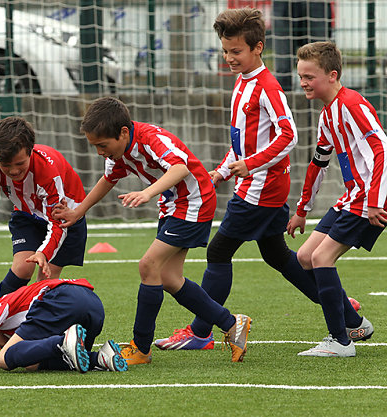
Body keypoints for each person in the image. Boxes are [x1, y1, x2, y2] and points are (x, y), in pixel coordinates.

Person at [154, 8, 365, 353]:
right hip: (257, 184)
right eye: (225, 51)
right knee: (278, 255)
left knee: (218, 251)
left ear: (258, 48)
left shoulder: (267, 86)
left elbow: (289, 135)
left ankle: (200, 330)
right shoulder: (242, 83)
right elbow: (242, 143)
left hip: (261, 189)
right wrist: (220, 172)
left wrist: (249, 166)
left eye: (236, 51)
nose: (229, 58)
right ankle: (345, 310)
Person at [52, 96, 252, 365]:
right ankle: (232, 323)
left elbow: (180, 167)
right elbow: (108, 179)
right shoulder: (118, 151)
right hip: (173, 204)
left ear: (123, 133)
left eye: (102, 145)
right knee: (168, 277)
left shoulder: (149, 139)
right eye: (95, 146)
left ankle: (141, 347)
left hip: (194, 201)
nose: (100, 152)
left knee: (148, 265)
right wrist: (78, 211)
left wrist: (147, 192)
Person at [287, 41, 386, 357]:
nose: (303, 82)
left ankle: (340, 342)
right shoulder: (327, 114)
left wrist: (375, 200)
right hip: (353, 197)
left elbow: (381, 149)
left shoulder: (352, 105)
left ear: (332, 75)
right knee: (305, 257)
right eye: (300, 76)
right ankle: (355, 323)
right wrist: (302, 209)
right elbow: (318, 163)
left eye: (309, 76)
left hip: (368, 196)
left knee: (321, 258)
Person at [0, 116, 87, 300]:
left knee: (45, 279)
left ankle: (37, 326)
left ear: (30, 152)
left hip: (66, 220)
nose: (13, 171)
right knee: (21, 268)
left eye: (20, 164)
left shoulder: (48, 172)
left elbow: (57, 221)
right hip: (26, 214)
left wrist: (43, 252)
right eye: (6, 165)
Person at [0, 278, 128, 373]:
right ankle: (101, 358)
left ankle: (62, 341)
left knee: (5, 359)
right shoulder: (20, 322)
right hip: (93, 305)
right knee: (32, 360)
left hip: (63, 298)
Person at [272, 0, 333, 91]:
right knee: (283, 67)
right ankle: (282, 100)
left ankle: (321, 101)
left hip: (316, 5)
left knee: (319, 59)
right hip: (284, 4)